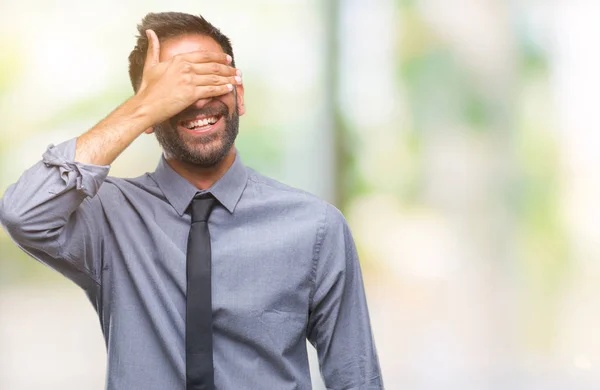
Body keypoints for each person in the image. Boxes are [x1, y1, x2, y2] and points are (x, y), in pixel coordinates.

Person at [0, 11, 383, 390]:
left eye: (210, 79)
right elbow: (23, 213)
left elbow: (357, 379)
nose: (198, 100)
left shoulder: (315, 226)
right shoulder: (107, 218)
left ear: (239, 96)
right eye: (176, 89)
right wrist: (142, 108)